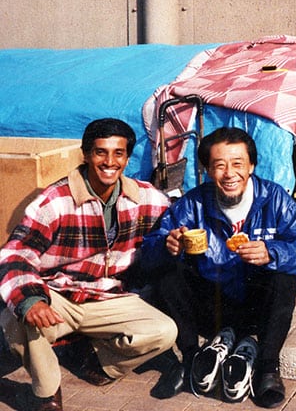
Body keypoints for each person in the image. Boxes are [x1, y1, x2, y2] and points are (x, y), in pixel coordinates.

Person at [0, 118, 177, 411]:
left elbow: (178, 213)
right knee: (17, 320)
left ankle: (95, 362)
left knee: (163, 331)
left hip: (106, 297)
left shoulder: (143, 196)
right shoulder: (55, 201)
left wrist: (181, 234)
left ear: (127, 157)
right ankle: (46, 394)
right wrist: (32, 300)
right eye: (100, 152)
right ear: (85, 155)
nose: (110, 162)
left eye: (118, 153)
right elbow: (15, 255)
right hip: (58, 295)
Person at [140, 127, 296, 408]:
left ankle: (268, 368)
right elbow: (149, 253)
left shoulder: (274, 199)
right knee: (168, 270)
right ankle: (191, 359)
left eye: (238, 164)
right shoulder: (193, 204)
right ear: (208, 170)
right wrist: (167, 246)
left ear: (251, 166)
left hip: (257, 308)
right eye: (219, 165)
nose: (229, 173)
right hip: (210, 306)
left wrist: (271, 252)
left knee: (284, 277)